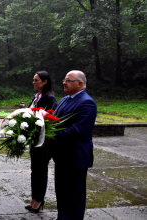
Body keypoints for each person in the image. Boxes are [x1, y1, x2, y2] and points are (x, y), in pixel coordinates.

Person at [52, 70, 97, 219]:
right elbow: (56, 121)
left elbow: (78, 130)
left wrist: (51, 136)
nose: (64, 83)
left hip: (76, 156)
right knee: (62, 191)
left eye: (68, 80)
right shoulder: (65, 99)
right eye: (64, 80)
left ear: (80, 84)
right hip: (62, 154)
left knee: (75, 194)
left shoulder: (87, 102)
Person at [25, 71, 57, 213]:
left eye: (36, 80)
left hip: (44, 141)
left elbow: (53, 118)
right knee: (34, 170)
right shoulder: (36, 97)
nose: (34, 82)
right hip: (35, 139)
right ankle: (34, 199)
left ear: (45, 82)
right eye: (33, 80)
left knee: (41, 170)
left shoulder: (49, 98)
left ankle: (39, 201)